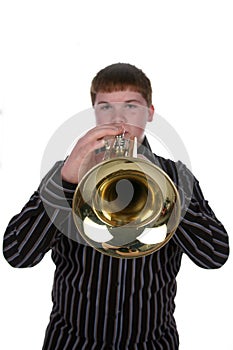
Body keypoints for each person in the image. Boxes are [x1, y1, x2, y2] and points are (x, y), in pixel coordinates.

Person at [3, 63, 229, 350]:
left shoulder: (177, 176)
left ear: (150, 113)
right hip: (71, 344)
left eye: (131, 106)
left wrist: (164, 190)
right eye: (106, 107)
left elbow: (215, 255)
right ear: (94, 112)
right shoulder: (66, 173)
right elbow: (17, 254)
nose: (119, 118)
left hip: (152, 344)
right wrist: (65, 183)